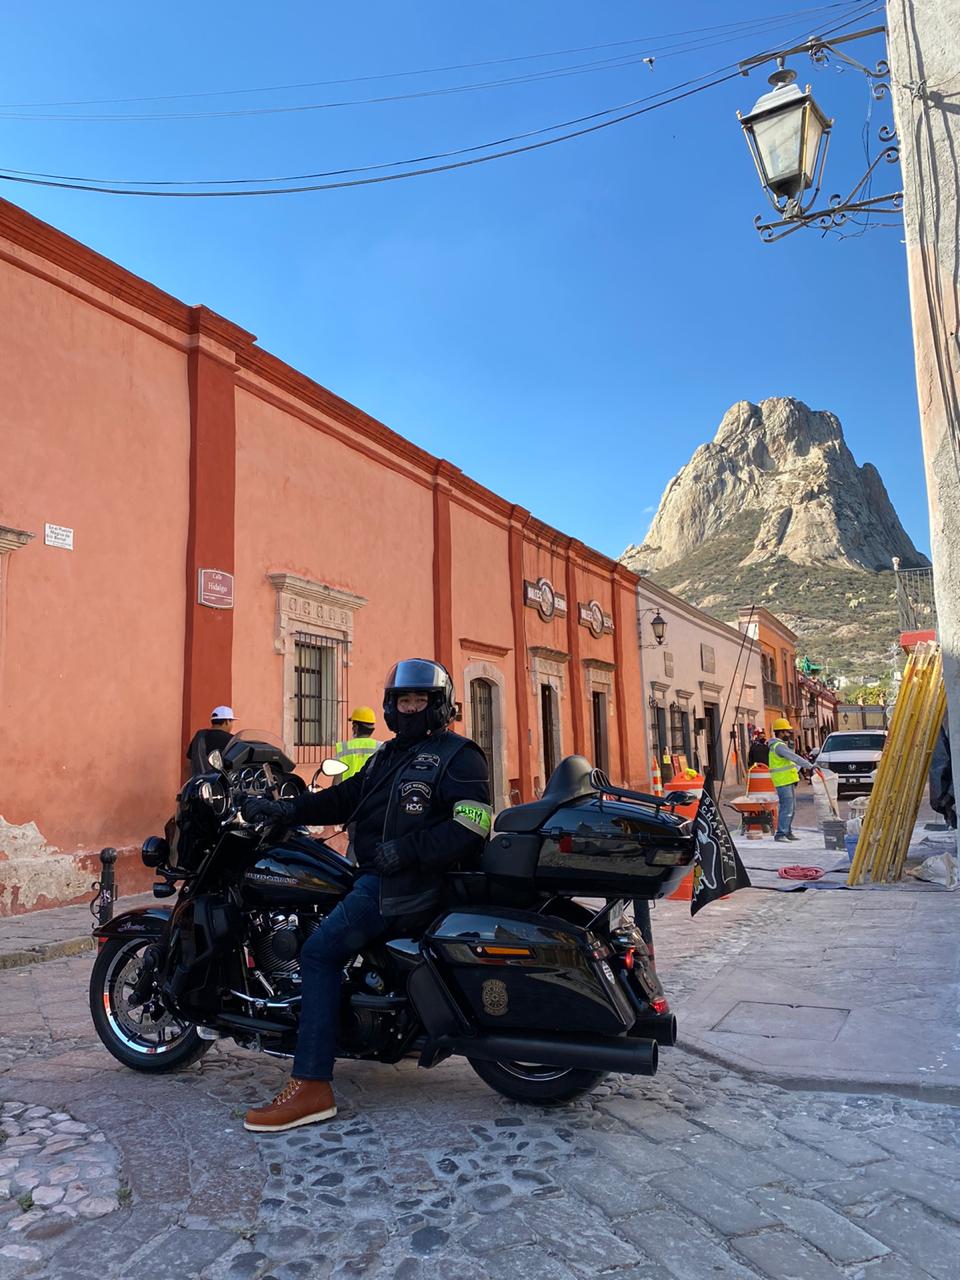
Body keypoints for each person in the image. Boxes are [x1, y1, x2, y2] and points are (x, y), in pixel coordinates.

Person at [240, 659, 491, 1133]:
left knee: (318, 953)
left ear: (441, 707)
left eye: (420, 700)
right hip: (384, 877)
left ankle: (311, 1085)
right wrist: (282, 809)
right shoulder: (386, 755)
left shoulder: (460, 756)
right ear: (391, 707)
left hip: (407, 886)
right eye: (403, 700)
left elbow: (472, 826)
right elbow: (342, 798)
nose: (411, 708)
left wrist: (407, 852)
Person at [768, 718, 814, 842]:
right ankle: (781, 834)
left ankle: (787, 832)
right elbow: (794, 758)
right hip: (782, 781)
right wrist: (810, 766)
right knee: (786, 808)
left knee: (791, 808)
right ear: (781, 732)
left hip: (787, 780)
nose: (789, 734)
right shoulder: (779, 746)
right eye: (787, 732)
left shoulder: (781, 745)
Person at [333, 707, 381, 782]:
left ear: (355, 727)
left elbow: (337, 779)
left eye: (353, 725)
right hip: (372, 792)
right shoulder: (381, 747)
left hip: (347, 792)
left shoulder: (343, 748)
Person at [185, 705, 235, 776]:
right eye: (231, 722)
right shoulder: (232, 740)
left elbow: (188, 762)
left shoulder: (199, 736)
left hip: (199, 783)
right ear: (227, 721)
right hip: (221, 785)